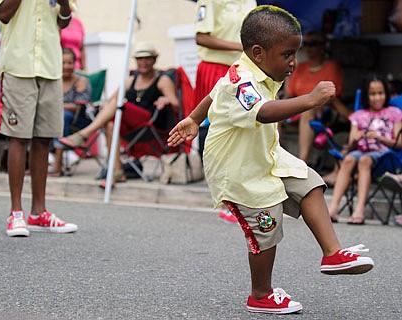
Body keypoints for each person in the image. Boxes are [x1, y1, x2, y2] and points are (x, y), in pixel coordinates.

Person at [168, 5, 374, 314]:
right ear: (258, 52)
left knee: (310, 183)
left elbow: (215, 90)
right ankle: (260, 294)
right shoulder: (243, 81)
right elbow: (262, 113)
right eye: (288, 55)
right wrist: (310, 99)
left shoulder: (254, 68)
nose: (293, 63)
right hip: (239, 173)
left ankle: (332, 254)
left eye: (295, 53)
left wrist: (195, 118)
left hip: (266, 156)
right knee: (266, 229)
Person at [0, 0, 78, 237]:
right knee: (18, 137)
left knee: (44, 139)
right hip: (18, 66)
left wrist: (63, 4)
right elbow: (3, 14)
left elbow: (64, 21)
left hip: (50, 67)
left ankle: (38, 212)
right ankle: (16, 212)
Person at [59, 42, 180, 187]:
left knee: (119, 103)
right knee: (110, 124)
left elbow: (176, 106)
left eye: (147, 58)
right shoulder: (131, 80)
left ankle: (84, 134)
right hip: (131, 126)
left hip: (150, 123)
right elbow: (110, 100)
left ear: (154, 60)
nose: (143, 62)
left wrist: (165, 99)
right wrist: (104, 105)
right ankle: (117, 171)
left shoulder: (162, 80)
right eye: (140, 59)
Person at [194, 0, 256, 224]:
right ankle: (227, 198)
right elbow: (201, 36)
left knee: (245, 128)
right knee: (219, 132)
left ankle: (241, 197)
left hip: (243, 69)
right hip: (215, 68)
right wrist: (240, 46)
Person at [328, 75, 402, 225]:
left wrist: (380, 138)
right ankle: (333, 208)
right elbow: (350, 145)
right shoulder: (358, 115)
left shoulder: (394, 113)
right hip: (361, 152)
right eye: (372, 94)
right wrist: (357, 137)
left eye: (380, 93)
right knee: (348, 159)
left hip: (385, 155)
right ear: (366, 96)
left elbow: (399, 143)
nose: (377, 98)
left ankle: (359, 209)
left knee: (364, 160)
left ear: (386, 94)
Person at [283, 30, 351, 183]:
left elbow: (331, 95)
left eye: (313, 44)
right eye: (305, 44)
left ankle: (302, 163)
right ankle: (273, 158)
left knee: (309, 109)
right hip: (297, 108)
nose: (308, 48)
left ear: (322, 47)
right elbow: (289, 94)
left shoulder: (331, 67)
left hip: (323, 110)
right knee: (274, 111)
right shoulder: (300, 68)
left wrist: (310, 102)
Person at [49, 48, 91, 177]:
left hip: (78, 120)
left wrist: (56, 106)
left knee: (62, 116)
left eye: (70, 63)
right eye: (63, 63)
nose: (66, 66)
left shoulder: (81, 81)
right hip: (53, 117)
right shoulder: (53, 80)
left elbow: (78, 107)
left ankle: (57, 166)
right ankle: (30, 162)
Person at [60, 6, 85, 71]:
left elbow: (82, 48)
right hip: (62, 66)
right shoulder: (58, 22)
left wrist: (84, 67)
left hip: (77, 66)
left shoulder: (78, 23)